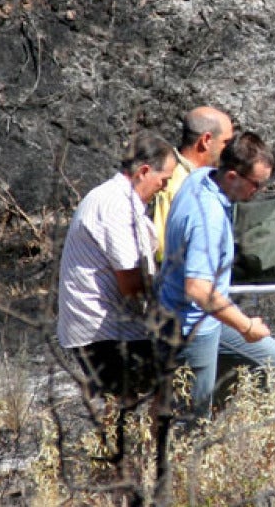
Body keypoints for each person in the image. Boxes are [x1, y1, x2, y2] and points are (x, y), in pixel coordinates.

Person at [158, 132, 275, 421]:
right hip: (191, 330)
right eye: (256, 185)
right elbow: (198, 289)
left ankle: (274, 447)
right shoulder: (209, 220)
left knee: (273, 361)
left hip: (204, 318)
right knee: (190, 426)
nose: (258, 192)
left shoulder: (201, 176)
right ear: (232, 176)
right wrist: (246, 326)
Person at [57, 132, 176, 405]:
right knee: (159, 385)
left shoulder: (115, 198)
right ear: (144, 171)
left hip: (105, 325)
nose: (164, 187)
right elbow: (131, 284)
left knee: (126, 404)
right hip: (103, 329)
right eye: (163, 180)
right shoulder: (117, 206)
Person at [153, 106, 235, 262]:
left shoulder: (201, 179)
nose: (231, 150)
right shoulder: (175, 183)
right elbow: (164, 248)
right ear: (206, 141)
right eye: (226, 142)